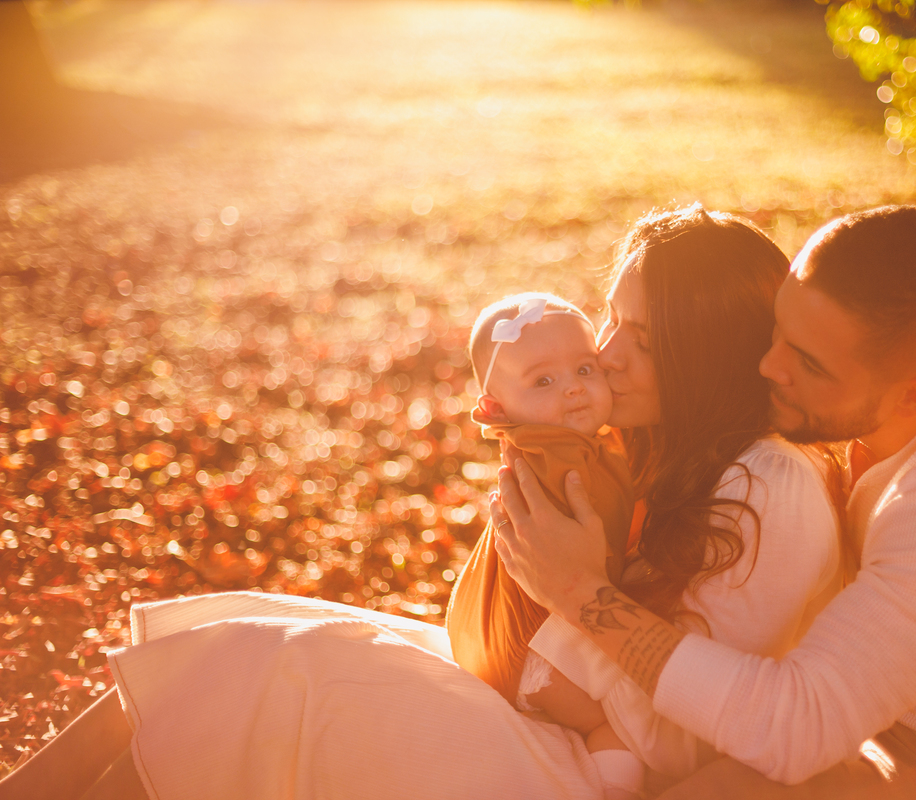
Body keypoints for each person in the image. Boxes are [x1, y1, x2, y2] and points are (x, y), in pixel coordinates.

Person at [0, 204, 843, 800]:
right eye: (612, 322)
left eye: (645, 341)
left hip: (583, 770)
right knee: (240, 648)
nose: (607, 354)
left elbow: (694, 741)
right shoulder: (654, 445)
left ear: (711, 357)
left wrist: (577, 596)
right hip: (535, 703)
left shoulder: (770, 489)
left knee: (277, 672)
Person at [491, 204, 916, 800]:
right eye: (779, 331)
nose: (764, 365)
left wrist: (579, 594)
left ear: (913, 398)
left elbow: (798, 728)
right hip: (862, 717)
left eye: (806, 363)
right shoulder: (870, 404)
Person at [446, 291, 642, 799]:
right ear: (494, 409)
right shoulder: (554, 461)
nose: (574, 390)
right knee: (619, 725)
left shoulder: (568, 440)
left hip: (540, 632)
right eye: (544, 381)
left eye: (584, 368)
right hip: (537, 651)